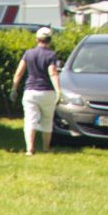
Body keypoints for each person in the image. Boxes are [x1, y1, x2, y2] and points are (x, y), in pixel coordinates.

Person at [15, 28, 62, 156]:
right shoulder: (51, 55)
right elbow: (52, 73)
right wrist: (58, 91)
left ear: (37, 39)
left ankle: (29, 149)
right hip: (47, 92)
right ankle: (46, 148)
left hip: (30, 91)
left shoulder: (28, 53)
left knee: (30, 120)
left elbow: (19, 73)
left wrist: (14, 88)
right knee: (47, 120)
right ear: (50, 40)